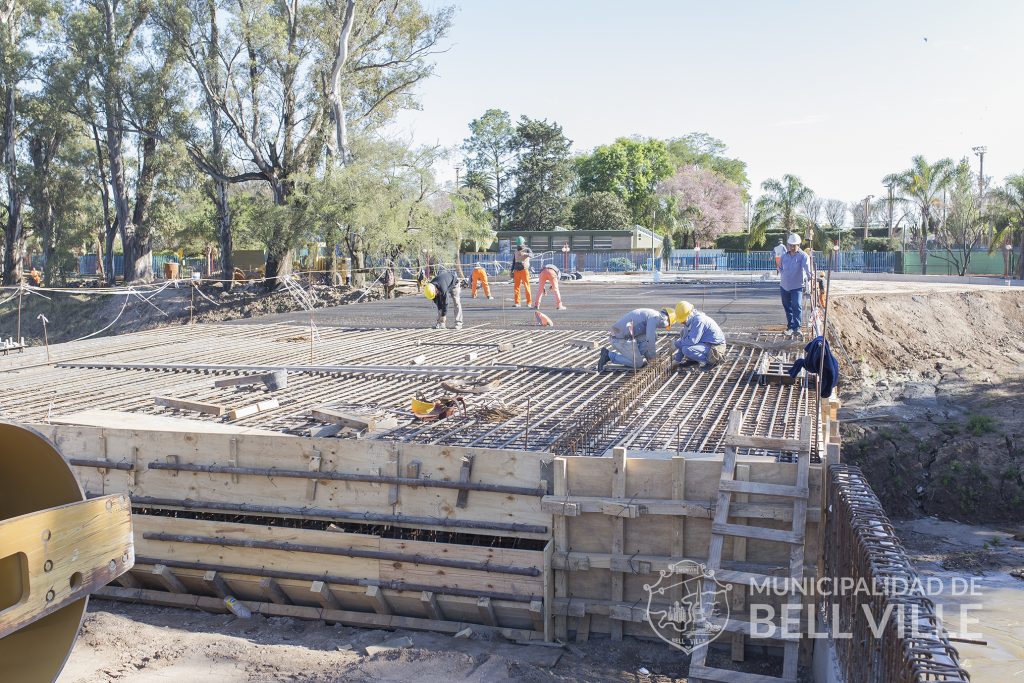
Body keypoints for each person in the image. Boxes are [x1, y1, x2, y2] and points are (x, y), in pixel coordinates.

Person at [597, 307, 675, 372]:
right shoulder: (654, 318)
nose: (664, 327)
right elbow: (649, 340)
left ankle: (644, 357)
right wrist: (653, 358)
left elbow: (648, 337)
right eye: (666, 325)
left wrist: (649, 356)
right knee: (638, 363)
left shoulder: (653, 314)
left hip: (626, 336)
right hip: (618, 339)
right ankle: (609, 355)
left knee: (654, 335)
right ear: (666, 320)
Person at [672, 300, 726, 370]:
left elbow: (692, 341)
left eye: (683, 320)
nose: (682, 322)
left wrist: (675, 344)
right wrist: (677, 360)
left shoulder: (699, 320)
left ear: (689, 314)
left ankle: (713, 362)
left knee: (687, 349)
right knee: (683, 336)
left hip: (715, 347)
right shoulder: (689, 321)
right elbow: (684, 341)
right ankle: (695, 360)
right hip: (705, 344)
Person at [779, 233, 813, 336]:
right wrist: (784, 274)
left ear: (798, 245)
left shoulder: (803, 256)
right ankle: (790, 327)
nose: (792, 247)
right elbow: (780, 268)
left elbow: (808, 271)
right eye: (790, 245)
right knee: (787, 306)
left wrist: (811, 280)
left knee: (796, 305)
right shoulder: (784, 256)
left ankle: (797, 328)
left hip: (797, 286)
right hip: (784, 286)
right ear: (788, 245)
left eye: (794, 245)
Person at [511, 236, 533, 307]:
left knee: (527, 286)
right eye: (518, 245)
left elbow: (532, 255)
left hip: (524, 271)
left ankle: (529, 303)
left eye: (520, 244)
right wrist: (511, 271)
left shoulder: (527, 249)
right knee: (516, 287)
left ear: (523, 243)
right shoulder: (516, 251)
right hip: (516, 271)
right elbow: (514, 262)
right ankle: (517, 303)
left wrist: (526, 254)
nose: (519, 246)